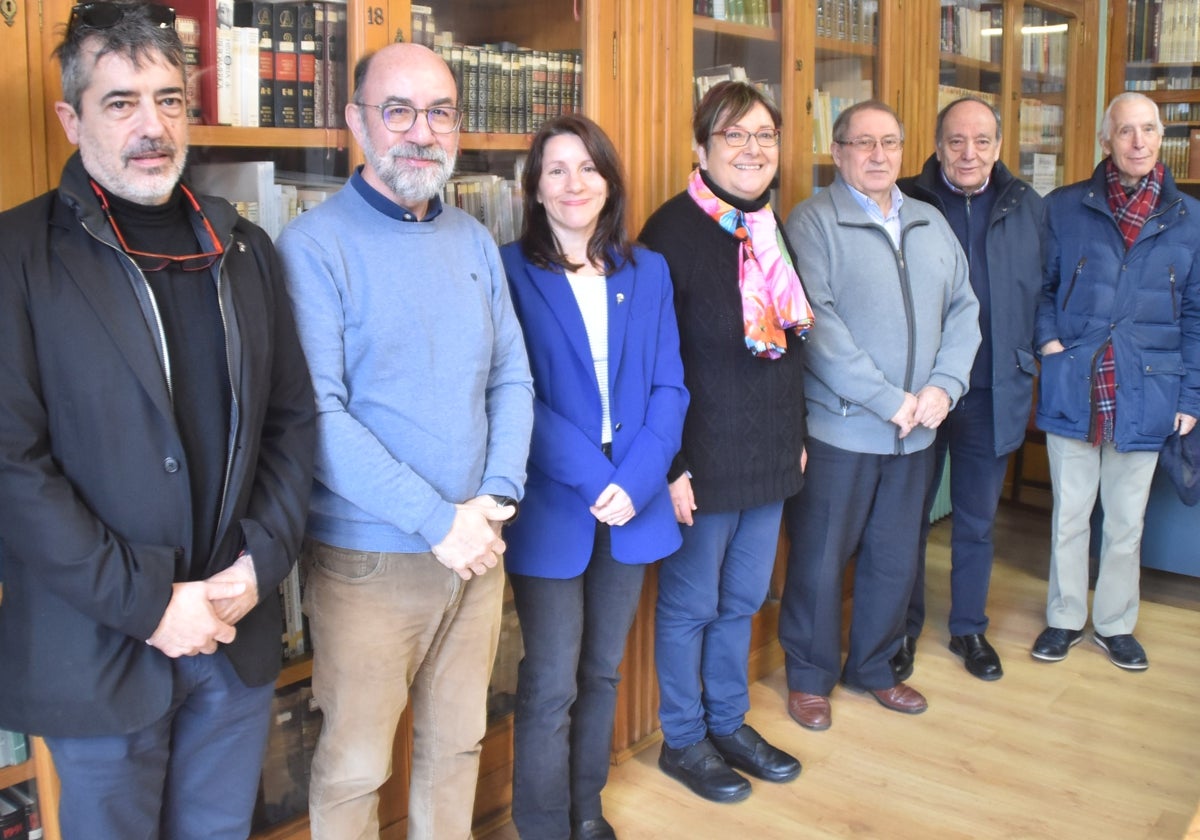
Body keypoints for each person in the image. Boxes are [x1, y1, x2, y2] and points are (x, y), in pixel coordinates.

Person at [0, 3, 316, 837]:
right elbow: (12, 468)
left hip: (231, 630)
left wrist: (261, 560)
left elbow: (291, 422)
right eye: (121, 102)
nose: (153, 126)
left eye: (170, 99)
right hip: (99, 650)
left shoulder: (243, 247)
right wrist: (149, 604)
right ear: (70, 116)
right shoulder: (14, 256)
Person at [275, 43, 534, 839]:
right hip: (368, 562)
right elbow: (320, 417)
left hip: (477, 548)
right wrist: (439, 521)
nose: (422, 132)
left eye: (441, 111)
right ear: (355, 121)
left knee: (456, 748)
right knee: (356, 768)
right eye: (399, 110)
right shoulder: (312, 246)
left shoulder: (472, 241)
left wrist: (494, 499)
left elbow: (513, 381)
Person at [500, 114, 688, 840]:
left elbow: (670, 388)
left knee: (601, 672)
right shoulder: (508, 270)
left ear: (610, 182)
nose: (574, 183)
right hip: (555, 501)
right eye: (556, 170)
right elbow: (515, 392)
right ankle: (542, 825)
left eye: (588, 168)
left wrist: (636, 481)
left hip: (633, 499)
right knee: (550, 682)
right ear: (536, 188)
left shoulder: (648, 271)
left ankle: (586, 810)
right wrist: (592, 477)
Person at [779, 100, 980, 731]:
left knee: (897, 557)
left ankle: (875, 667)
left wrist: (943, 389)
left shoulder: (929, 221)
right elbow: (817, 325)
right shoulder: (812, 223)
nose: (877, 155)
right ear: (837, 153)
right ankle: (809, 678)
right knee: (819, 557)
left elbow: (965, 311)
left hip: (918, 432)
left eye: (888, 142)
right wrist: (891, 400)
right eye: (862, 143)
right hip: (842, 428)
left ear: (902, 151)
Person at [639, 81, 812, 805]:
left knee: (742, 599)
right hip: (700, 462)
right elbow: (648, 363)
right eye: (734, 135)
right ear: (701, 148)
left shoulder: (772, 227)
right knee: (690, 605)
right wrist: (670, 466)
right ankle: (684, 740)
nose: (752, 149)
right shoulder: (666, 234)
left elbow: (792, 343)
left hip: (768, 453)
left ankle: (728, 722)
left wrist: (794, 435)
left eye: (764, 136)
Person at [1030, 91, 1200, 671]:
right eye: (1126, 131)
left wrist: (1191, 397)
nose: (1138, 142)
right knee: (1070, 515)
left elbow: (1197, 315)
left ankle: (1115, 624)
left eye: (1148, 130)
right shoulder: (1063, 206)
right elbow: (1041, 289)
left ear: (1160, 137)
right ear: (1107, 140)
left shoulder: (1190, 218)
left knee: (1127, 523)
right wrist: (1050, 344)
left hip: (1150, 388)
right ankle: (1064, 618)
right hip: (1075, 380)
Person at [894, 96, 1044, 682]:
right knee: (906, 518)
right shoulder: (906, 198)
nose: (969, 152)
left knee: (977, 520)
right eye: (956, 140)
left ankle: (968, 629)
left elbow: (1046, 285)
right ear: (938, 146)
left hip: (990, 389)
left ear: (999, 147)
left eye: (982, 141)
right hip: (922, 392)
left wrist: (1036, 349)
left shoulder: (1027, 205)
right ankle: (900, 630)